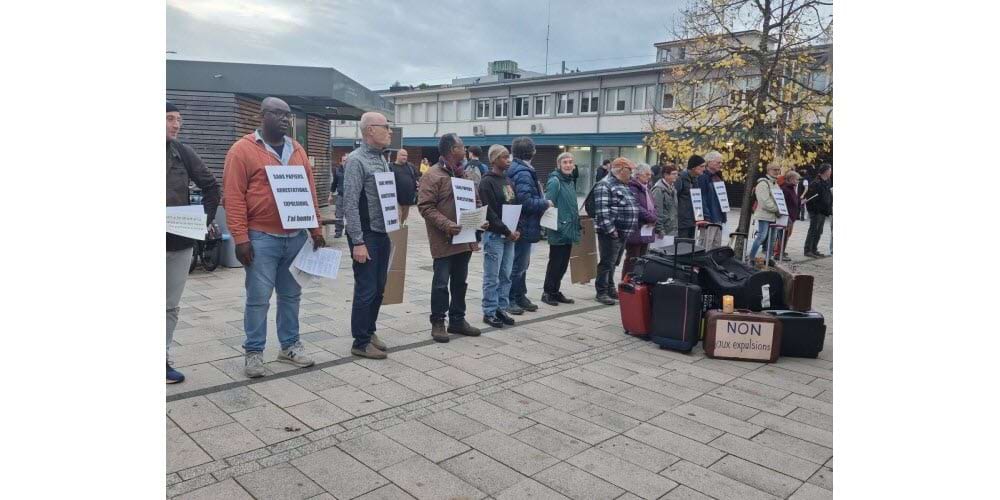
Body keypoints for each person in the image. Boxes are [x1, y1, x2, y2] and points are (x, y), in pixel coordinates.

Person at [223, 97, 325, 378]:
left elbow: (309, 190)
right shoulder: (242, 150)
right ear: (263, 115)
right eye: (278, 114)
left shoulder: (297, 149)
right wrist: (241, 238)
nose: (285, 119)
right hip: (261, 237)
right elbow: (233, 198)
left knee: (292, 295)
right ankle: (254, 353)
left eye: (288, 115)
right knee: (258, 298)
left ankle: (289, 346)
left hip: (295, 237)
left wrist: (315, 229)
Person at [166, 101, 220, 384]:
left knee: (170, 305)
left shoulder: (182, 152)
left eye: (178, 119)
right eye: (169, 118)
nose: (176, 124)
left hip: (177, 242)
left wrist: (203, 221)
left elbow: (211, 186)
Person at [418, 133, 484, 342]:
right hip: (444, 239)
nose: (464, 150)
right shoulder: (433, 175)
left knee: (460, 282)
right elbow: (425, 207)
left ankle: (457, 320)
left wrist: (480, 219)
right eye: (461, 147)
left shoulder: (463, 174)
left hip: (464, 238)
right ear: (451, 149)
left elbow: (476, 201)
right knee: (440, 283)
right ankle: (438, 322)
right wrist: (446, 225)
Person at [343, 112, 396, 359]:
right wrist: (358, 241)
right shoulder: (356, 160)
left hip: (382, 232)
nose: (390, 131)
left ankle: (370, 330)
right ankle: (360, 341)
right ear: (369, 130)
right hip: (366, 235)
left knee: (380, 289)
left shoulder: (383, 159)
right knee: (366, 289)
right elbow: (350, 204)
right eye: (386, 127)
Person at [505, 136, 553, 315]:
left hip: (523, 223)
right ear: (532, 152)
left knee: (521, 263)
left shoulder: (520, 168)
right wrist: (545, 203)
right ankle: (511, 298)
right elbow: (525, 201)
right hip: (524, 224)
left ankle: (520, 295)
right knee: (518, 264)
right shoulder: (524, 172)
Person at [478, 145, 521, 328]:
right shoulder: (487, 182)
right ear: (494, 160)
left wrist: (517, 228)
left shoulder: (508, 180)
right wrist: (505, 230)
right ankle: (489, 311)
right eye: (504, 157)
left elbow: (516, 204)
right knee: (492, 276)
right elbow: (490, 212)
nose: (508, 160)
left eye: (508, 156)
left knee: (506, 274)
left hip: (509, 234)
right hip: (495, 235)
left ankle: (501, 308)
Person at [593, 158, 639, 305]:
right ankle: (601, 292)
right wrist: (611, 230)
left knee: (614, 262)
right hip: (611, 232)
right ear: (621, 170)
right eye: (630, 170)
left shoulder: (623, 184)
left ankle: (610, 287)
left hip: (622, 232)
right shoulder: (605, 184)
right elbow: (602, 210)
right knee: (607, 262)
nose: (631, 174)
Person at [541, 152, 582, 306]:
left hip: (569, 229)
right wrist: (557, 226)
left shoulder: (570, 181)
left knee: (563, 264)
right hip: (558, 229)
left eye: (571, 162)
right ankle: (547, 292)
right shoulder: (555, 181)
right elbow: (548, 206)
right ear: (559, 165)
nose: (568, 165)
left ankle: (555, 291)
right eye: (565, 162)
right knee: (555, 263)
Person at [622, 162, 659, 279]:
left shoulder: (646, 188)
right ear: (638, 175)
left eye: (650, 175)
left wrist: (654, 215)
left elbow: (653, 205)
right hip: (635, 227)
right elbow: (635, 206)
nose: (649, 177)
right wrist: (650, 217)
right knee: (633, 257)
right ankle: (626, 282)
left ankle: (637, 280)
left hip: (646, 227)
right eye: (646, 175)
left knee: (643, 257)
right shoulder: (632, 187)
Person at [748, 162, 783, 263]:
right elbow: (764, 202)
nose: (776, 172)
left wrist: (780, 209)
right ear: (768, 171)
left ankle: (768, 259)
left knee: (772, 238)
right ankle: (751, 258)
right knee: (761, 237)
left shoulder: (775, 183)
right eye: (774, 170)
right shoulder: (763, 184)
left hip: (774, 215)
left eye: (778, 170)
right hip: (764, 215)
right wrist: (777, 209)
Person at [698, 151, 728, 249]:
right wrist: (705, 217)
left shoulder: (718, 177)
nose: (720, 165)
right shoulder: (703, 177)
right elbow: (702, 198)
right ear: (709, 162)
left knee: (716, 245)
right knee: (706, 244)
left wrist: (723, 215)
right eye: (718, 162)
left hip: (718, 216)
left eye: (721, 162)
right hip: (709, 217)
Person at [804, 163, 833, 258]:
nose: (831, 172)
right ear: (825, 171)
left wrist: (828, 210)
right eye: (829, 170)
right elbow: (810, 198)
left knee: (819, 231)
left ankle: (814, 249)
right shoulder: (816, 183)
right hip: (816, 212)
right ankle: (808, 250)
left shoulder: (827, 182)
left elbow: (828, 196)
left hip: (823, 211)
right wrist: (814, 211)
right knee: (813, 230)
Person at [675, 155, 706, 239]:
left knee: (690, 247)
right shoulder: (680, 178)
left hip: (692, 221)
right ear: (693, 167)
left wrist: (699, 216)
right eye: (701, 166)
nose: (704, 169)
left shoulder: (695, 179)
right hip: (682, 222)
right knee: (682, 247)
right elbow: (674, 199)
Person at [773, 170, 801, 261]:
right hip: (787, 216)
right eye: (797, 179)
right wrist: (787, 216)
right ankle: (778, 254)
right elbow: (783, 203)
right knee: (783, 235)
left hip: (791, 216)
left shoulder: (791, 188)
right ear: (791, 179)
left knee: (786, 235)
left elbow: (794, 201)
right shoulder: (785, 189)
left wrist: (800, 202)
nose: (798, 181)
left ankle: (781, 252)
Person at [391, 148, 419, 224]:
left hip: (407, 200)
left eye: (406, 155)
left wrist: (417, 182)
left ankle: (401, 234)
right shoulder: (391, 167)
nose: (405, 157)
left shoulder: (410, 166)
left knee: (403, 221)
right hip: (396, 200)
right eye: (403, 155)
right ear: (397, 156)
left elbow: (417, 177)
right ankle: (396, 235)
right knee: (397, 219)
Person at [651, 164, 679, 239]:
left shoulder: (673, 188)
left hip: (672, 228)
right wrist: (659, 229)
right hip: (663, 230)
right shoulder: (658, 189)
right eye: (673, 174)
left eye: (677, 174)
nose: (676, 176)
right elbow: (657, 210)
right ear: (665, 175)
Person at [328, 153, 347, 237]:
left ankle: (349, 231)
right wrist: (330, 195)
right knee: (339, 215)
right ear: (341, 162)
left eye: (347, 161)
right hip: (341, 195)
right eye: (343, 161)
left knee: (351, 215)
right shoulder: (337, 171)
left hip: (351, 196)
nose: (345, 162)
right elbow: (334, 184)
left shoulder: (354, 170)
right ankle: (338, 232)